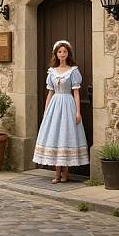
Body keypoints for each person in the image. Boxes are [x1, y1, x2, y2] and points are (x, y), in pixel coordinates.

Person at [33, 40, 89, 183]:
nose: (62, 54)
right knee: (55, 136)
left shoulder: (73, 71)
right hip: (54, 105)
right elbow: (50, 93)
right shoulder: (51, 72)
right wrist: (46, 111)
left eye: (64, 51)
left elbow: (76, 93)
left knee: (66, 135)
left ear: (68, 53)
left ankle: (65, 173)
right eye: (60, 52)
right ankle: (56, 173)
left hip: (68, 104)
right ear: (56, 54)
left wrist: (78, 112)